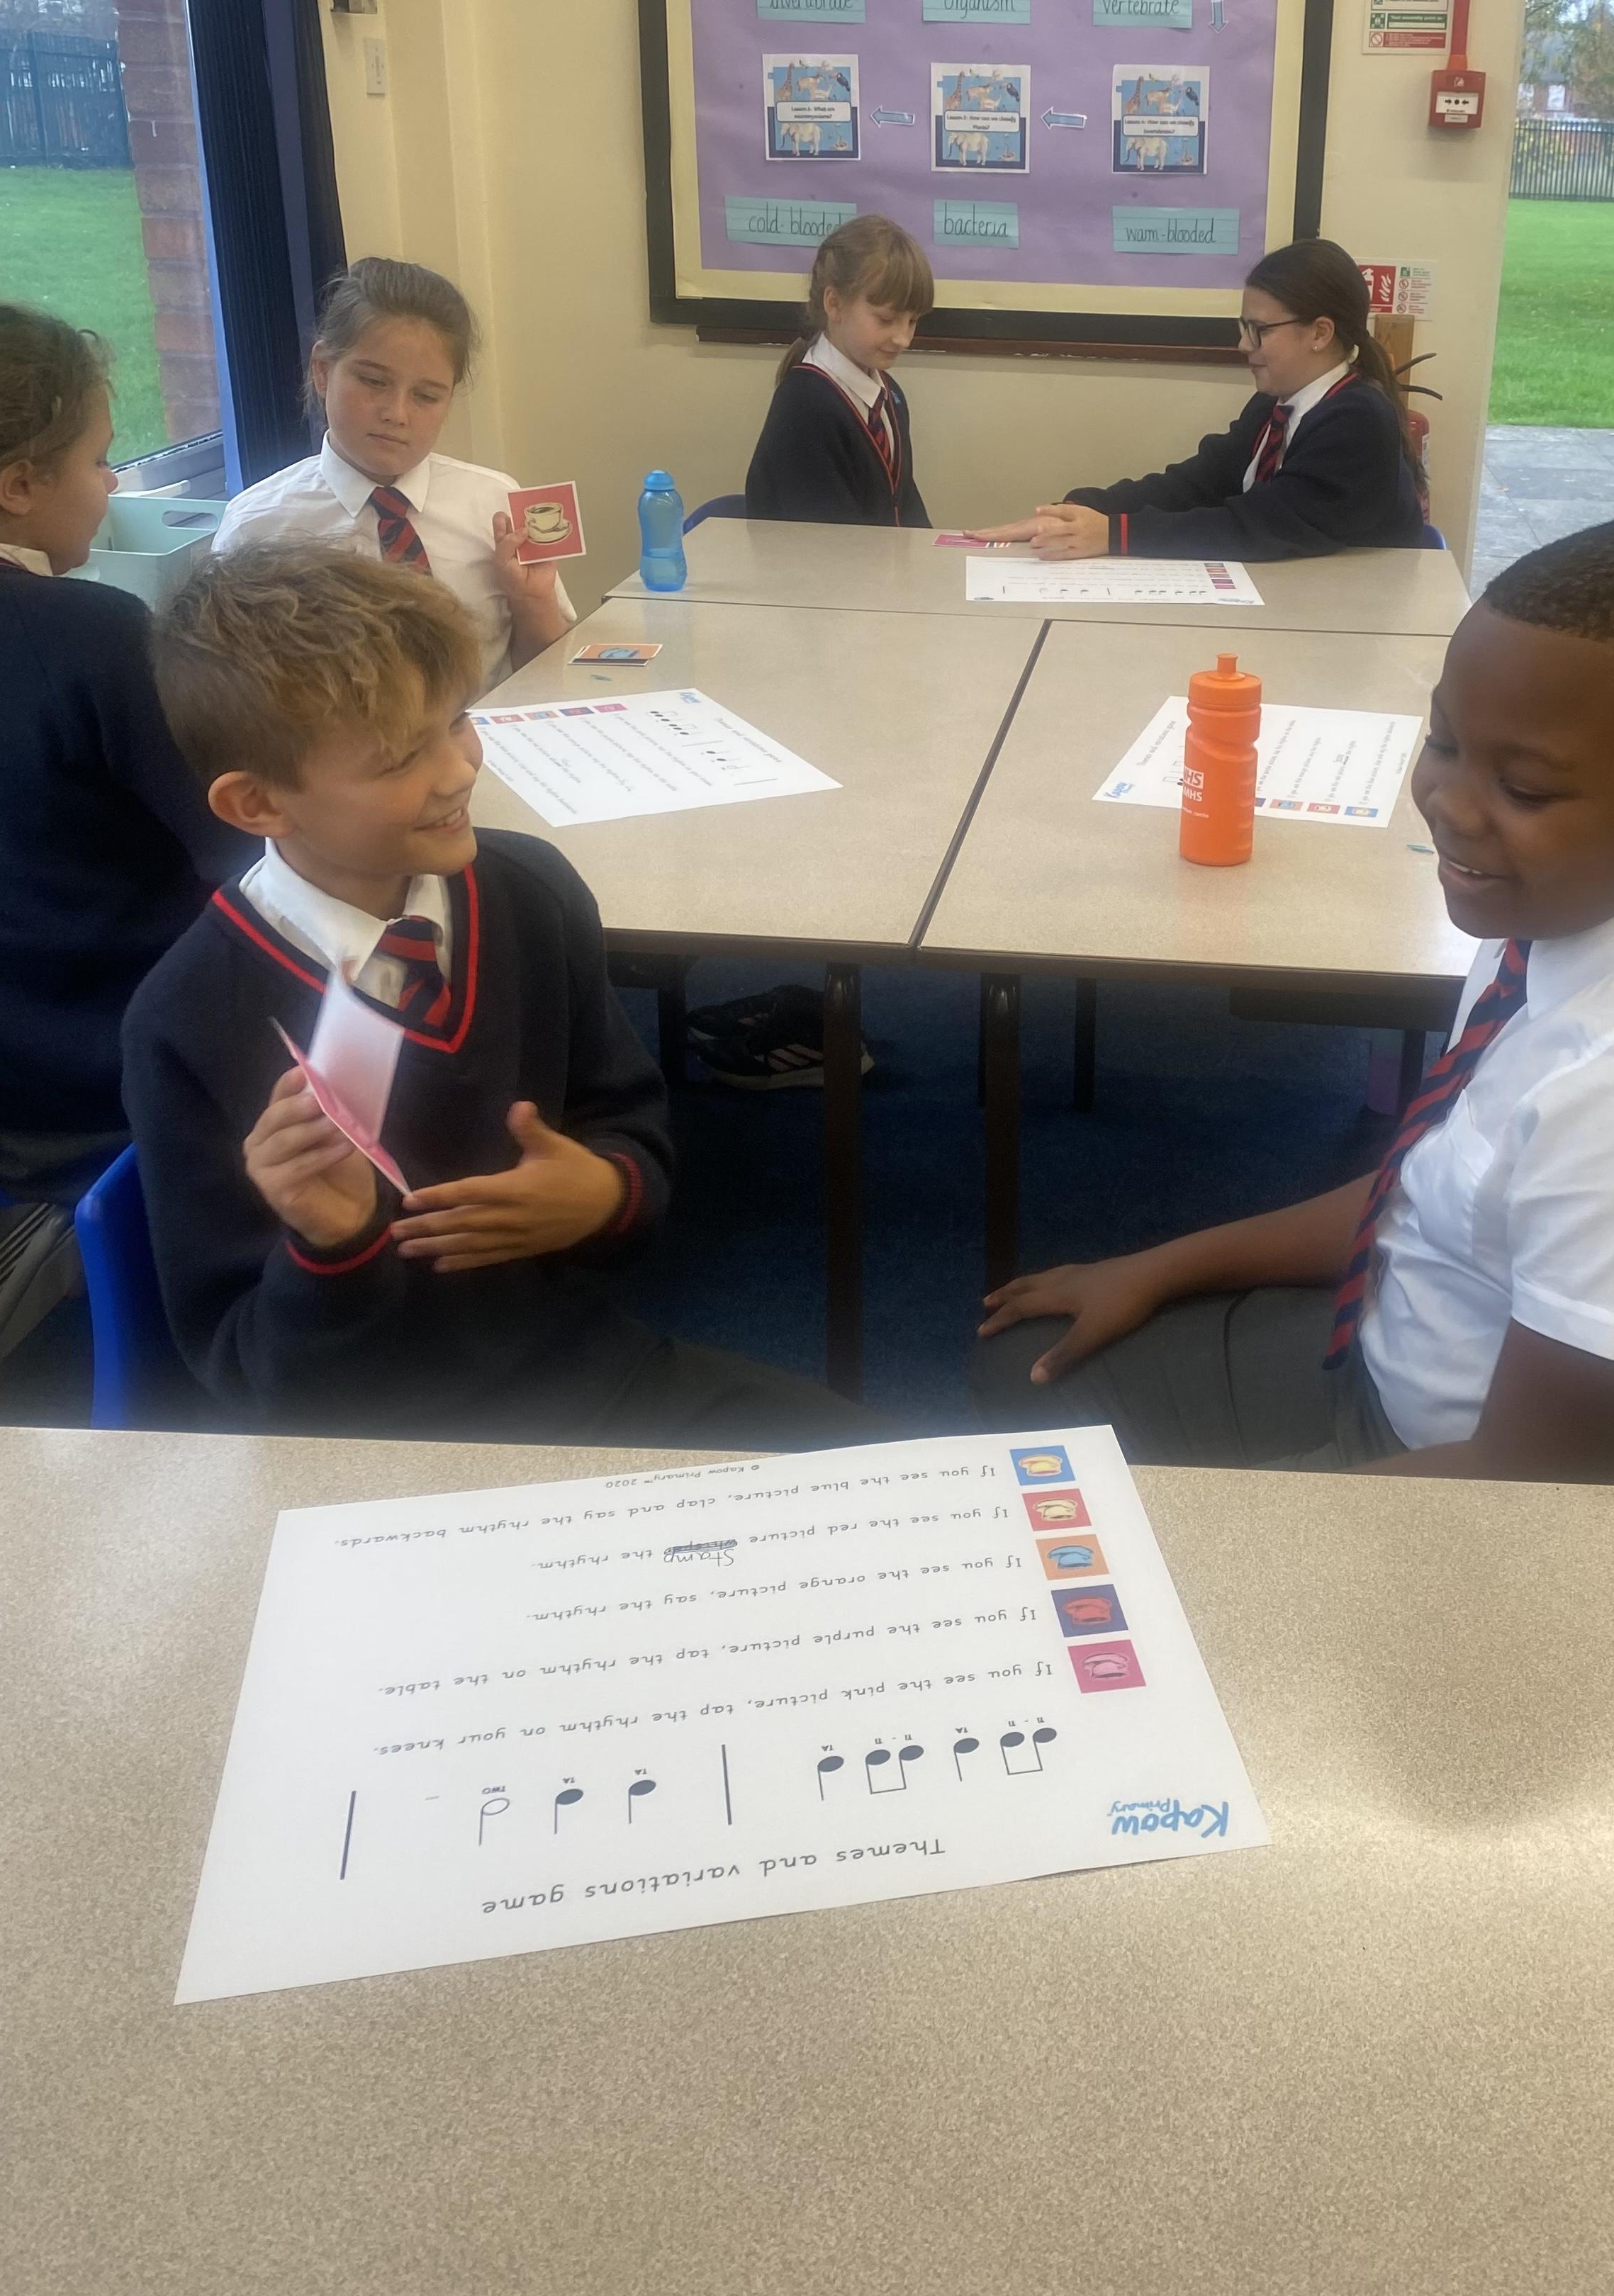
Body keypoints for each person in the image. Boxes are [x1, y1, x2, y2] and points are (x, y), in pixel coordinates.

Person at [973, 515, 1614, 1492]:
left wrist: (1219, 1542)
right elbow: (1435, 1183)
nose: (1447, 803)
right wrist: (1161, 1265)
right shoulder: (1575, 899)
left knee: (1045, 1470)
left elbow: (1537, 1485)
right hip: (1403, 1348)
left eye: (1522, 787)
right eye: (1443, 741)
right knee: (1026, 1371)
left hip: (1491, 1502)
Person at [125, 546, 888, 1451]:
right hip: (361, 1450)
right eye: (400, 756)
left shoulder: (529, 892)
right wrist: (332, 1247)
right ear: (258, 804)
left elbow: (627, 1117)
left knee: (904, 1476)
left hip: (584, 1379)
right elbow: (253, 1383)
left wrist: (603, 1191)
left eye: (458, 719)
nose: (458, 770)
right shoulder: (185, 1021)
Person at [0, 305, 248, 1360]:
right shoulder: (90, 634)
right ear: (19, 484)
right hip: (94, 1075)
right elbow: (239, 849)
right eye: (100, 461)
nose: (111, 485)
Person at [212, 257, 572, 687]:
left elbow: (549, 682)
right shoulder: (258, 527)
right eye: (373, 382)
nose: (396, 414)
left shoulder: (495, 503)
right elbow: (233, 698)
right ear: (322, 370)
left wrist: (533, 602)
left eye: (426, 396)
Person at [978, 237, 1427, 562]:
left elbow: (1260, 525)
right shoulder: (1274, 406)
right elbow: (1196, 484)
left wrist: (1114, 534)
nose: (1244, 345)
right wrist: (1081, 510)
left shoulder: (1358, 419)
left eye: (1260, 331)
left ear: (1320, 333)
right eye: (1243, 328)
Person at [744, 215, 934, 529]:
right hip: (822, 559)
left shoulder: (890, 395)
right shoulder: (804, 406)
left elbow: (905, 505)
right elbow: (827, 540)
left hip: (877, 559)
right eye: (886, 320)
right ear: (834, 304)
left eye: (912, 321)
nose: (903, 338)